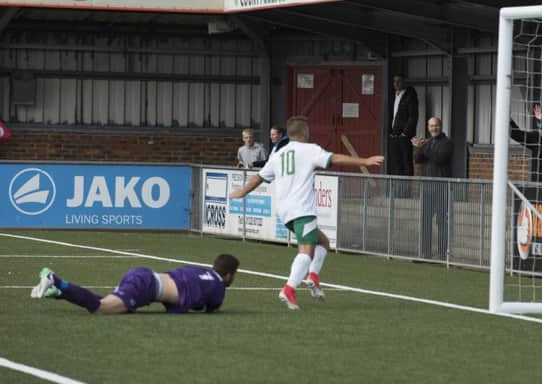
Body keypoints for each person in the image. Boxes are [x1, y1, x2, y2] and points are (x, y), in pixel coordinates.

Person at [229, 116, 383, 310]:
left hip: (285, 212)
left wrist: (242, 192)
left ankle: (313, 277)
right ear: (304, 132)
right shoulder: (310, 150)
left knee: (323, 242)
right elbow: (334, 158)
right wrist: (365, 161)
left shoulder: (278, 154)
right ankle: (288, 289)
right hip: (302, 208)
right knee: (306, 252)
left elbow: (258, 178)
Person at [30, 254, 239, 314]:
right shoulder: (219, 287)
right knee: (101, 308)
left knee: (107, 304)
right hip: (146, 286)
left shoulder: (199, 269)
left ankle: (59, 292)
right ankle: (55, 279)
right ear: (228, 276)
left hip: (146, 277)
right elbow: (210, 308)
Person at [412, 117, 453, 259]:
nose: (433, 128)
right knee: (425, 221)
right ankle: (426, 252)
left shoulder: (447, 143)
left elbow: (439, 158)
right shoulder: (428, 142)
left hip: (441, 189)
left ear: (440, 126)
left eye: (436, 125)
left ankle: (443, 254)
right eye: (431, 126)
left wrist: (423, 147)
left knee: (442, 221)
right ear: (428, 127)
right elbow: (417, 159)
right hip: (427, 189)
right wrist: (418, 147)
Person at [388, 74, 419, 177]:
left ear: (404, 82)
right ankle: (397, 190)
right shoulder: (393, 96)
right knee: (396, 164)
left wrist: (405, 133)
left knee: (406, 163)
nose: (396, 83)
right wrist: (390, 132)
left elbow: (413, 116)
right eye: (394, 81)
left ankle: (406, 190)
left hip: (404, 136)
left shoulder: (410, 95)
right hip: (394, 135)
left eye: (399, 81)